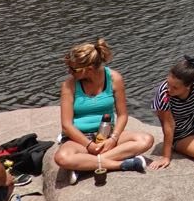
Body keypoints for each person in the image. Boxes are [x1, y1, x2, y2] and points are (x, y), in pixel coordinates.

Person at [55, 38, 154, 175]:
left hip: (107, 134)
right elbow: (66, 125)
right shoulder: (69, 85)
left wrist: (113, 139)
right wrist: (89, 145)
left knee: (146, 140)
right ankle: (122, 164)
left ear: (88, 69)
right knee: (62, 158)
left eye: (73, 69)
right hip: (79, 139)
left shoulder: (114, 78)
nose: (69, 71)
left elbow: (123, 115)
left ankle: (83, 165)